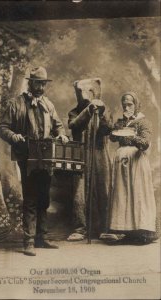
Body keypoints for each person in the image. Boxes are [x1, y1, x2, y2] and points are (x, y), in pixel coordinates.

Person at [0, 66, 69, 256]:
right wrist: (14, 137)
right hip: (26, 156)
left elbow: (58, 126)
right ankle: (28, 241)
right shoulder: (16, 104)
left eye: (43, 83)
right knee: (30, 197)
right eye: (38, 83)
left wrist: (61, 135)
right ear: (30, 83)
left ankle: (41, 238)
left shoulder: (48, 104)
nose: (41, 87)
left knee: (44, 197)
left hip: (46, 156)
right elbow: (2, 128)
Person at [105, 91, 157, 245]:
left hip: (136, 161)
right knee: (122, 195)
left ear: (136, 105)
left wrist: (130, 135)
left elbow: (145, 143)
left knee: (137, 194)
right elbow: (113, 136)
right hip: (121, 162)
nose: (127, 107)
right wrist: (120, 130)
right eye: (124, 104)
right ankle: (126, 231)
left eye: (130, 104)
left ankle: (141, 231)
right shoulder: (121, 122)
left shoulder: (143, 122)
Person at [67, 79, 112, 241]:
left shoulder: (104, 110)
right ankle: (80, 228)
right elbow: (73, 126)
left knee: (103, 190)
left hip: (100, 154)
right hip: (80, 155)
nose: (85, 96)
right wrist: (87, 111)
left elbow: (108, 129)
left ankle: (106, 228)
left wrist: (101, 113)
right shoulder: (74, 112)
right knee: (79, 192)